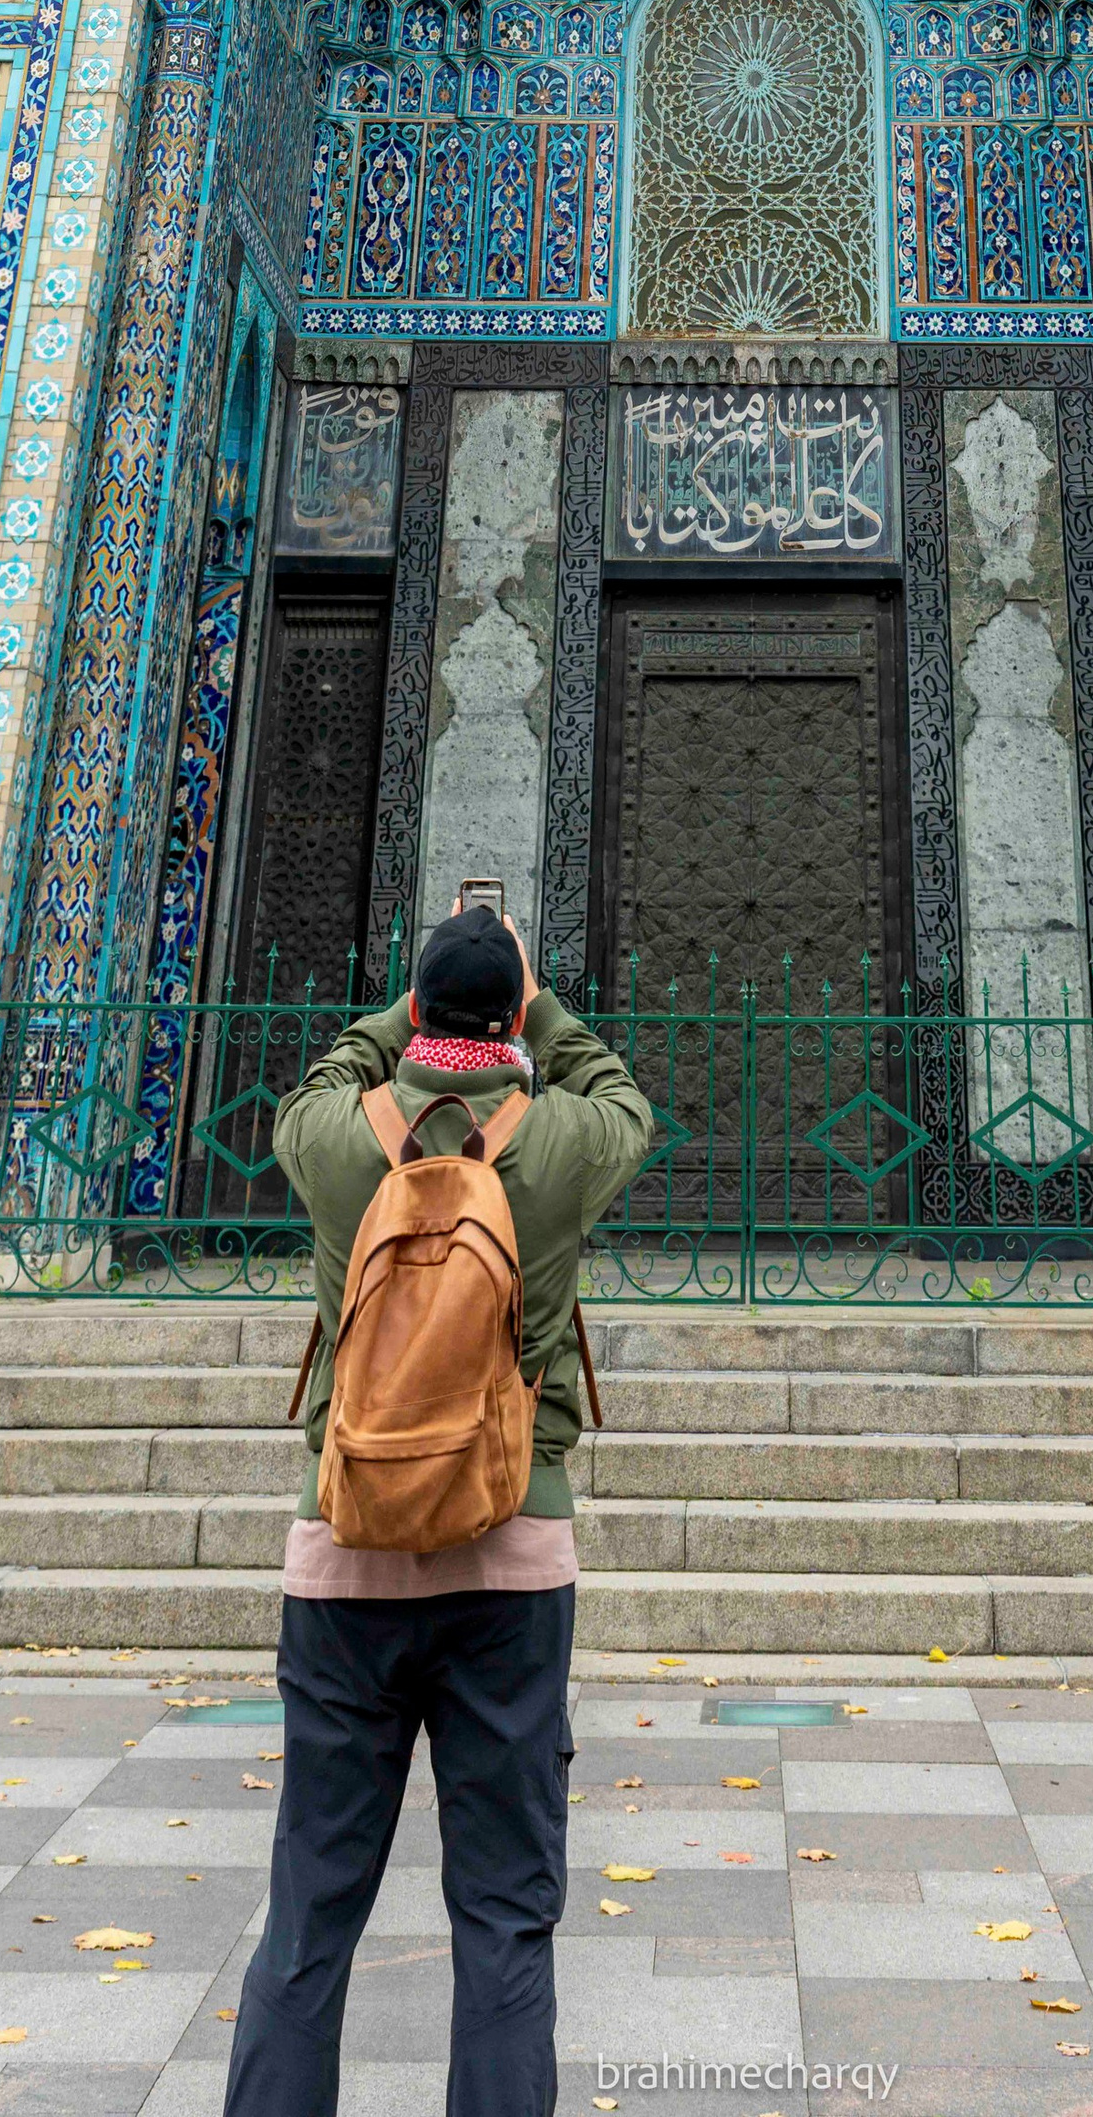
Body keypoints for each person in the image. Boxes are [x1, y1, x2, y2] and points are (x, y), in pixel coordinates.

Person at [224, 898, 653, 2117]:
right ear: (515, 1011)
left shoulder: (330, 1135)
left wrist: (401, 1009)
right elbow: (623, 1094)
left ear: (413, 1009)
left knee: (309, 1909)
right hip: (509, 1551)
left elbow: (332, 1066)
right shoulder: (564, 1137)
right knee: (505, 1916)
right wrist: (537, 992)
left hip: (344, 1549)